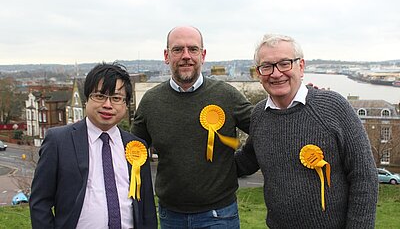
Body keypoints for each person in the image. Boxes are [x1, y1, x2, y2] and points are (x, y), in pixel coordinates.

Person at [235, 34, 379, 228]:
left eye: (285, 63)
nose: (276, 74)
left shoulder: (333, 107)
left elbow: (364, 177)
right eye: (267, 66)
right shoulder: (260, 114)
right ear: (258, 73)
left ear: (301, 66)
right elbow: (247, 160)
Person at [131, 26, 253, 228]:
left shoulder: (228, 96)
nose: (186, 56)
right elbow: (134, 151)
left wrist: (241, 164)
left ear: (203, 55)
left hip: (219, 216)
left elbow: (265, 131)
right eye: (178, 49)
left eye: (193, 49)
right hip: (170, 217)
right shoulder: (151, 101)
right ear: (166, 55)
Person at [30, 62, 157, 229]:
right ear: (87, 99)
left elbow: (146, 208)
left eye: (116, 98)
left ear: (126, 105)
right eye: (99, 96)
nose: (107, 105)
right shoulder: (58, 141)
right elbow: (40, 203)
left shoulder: (136, 147)